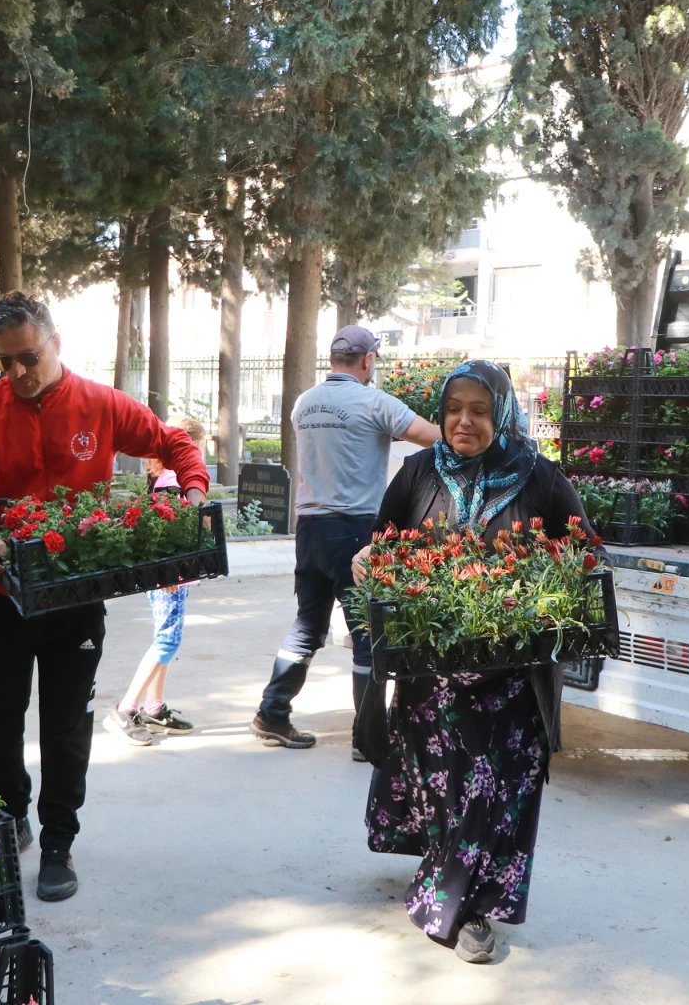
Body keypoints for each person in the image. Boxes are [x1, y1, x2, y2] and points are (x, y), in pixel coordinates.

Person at [0, 292, 209, 903]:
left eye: (28, 357)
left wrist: (192, 489)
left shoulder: (100, 404)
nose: (18, 372)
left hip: (74, 600)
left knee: (66, 729)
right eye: (5, 362)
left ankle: (59, 842)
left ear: (55, 343)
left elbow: (174, 442)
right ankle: (12, 813)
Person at [353, 360, 591, 964]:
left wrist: (552, 593)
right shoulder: (418, 473)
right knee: (451, 790)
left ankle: (466, 909)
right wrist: (367, 562)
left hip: (513, 680)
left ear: (501, 414)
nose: (464, 421)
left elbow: (587, 554)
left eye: (480, 411)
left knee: (493, 792)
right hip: (431, 677)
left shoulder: (539, 477)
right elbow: (381, 545)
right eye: (454, 409)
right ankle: (454, 888)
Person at [250, 326, 440, 753]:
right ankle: (366, 737)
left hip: (309, 528)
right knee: (369, 636)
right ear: (368, 360)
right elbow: (435, 437)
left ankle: (272, 713)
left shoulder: (304, 403)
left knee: (307, 626)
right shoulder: (374, 402)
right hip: (354, 531)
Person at [105, 415, 208, 746]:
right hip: (171, 576)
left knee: (165, 637)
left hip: (172, 575)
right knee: (167, 641)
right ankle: (126, 708)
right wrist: (169, 572)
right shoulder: (174, 480)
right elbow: (166, 531)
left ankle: (154, 707)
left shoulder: (163, 476)